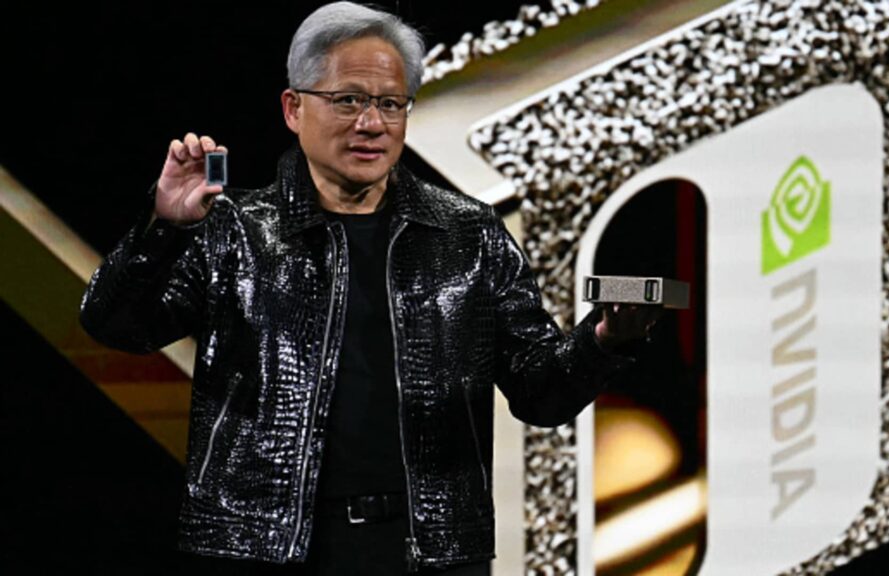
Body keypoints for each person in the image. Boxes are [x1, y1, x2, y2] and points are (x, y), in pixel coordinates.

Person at [79, 2, 658, 574]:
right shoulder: (235, 231)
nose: (371, 124)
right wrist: (165, 228)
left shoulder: (469, 234)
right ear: (293, 108)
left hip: (430, 553)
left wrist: (605, 339)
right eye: (348, 100)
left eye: (390, 104)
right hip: (264, 548)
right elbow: (117, 327)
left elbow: (541, 393)